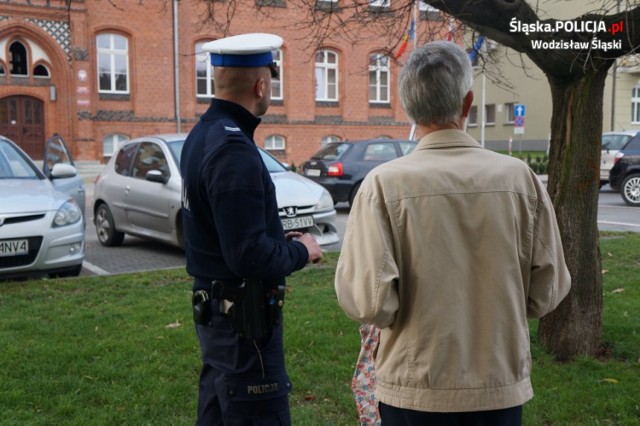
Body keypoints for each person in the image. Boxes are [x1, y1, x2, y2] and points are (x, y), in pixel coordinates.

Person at [334, 40, 571, 425]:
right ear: (467, 103)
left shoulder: (383, 185)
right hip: (497, 384)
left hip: (415, 390)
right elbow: (549, 288)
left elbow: (369, 303)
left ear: (410, 107)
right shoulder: (519, 179)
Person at [180, 33, 323, 425]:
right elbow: (246, 254)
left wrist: (278, 241)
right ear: (262, 85)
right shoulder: (233, 150)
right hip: (243, 332)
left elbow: (225, 230)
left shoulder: (203, 135)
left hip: (222, 329)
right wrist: (302, 250)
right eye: (271, 79)